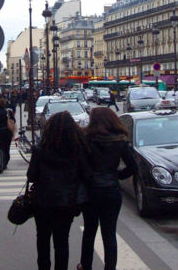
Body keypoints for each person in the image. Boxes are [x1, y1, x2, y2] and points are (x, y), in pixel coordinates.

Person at [27, 112, 90, 270]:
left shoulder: (40, 150)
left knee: (42, 238)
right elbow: (86, 174)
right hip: (66, 201)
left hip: (42, 202)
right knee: (62, 241)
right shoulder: (76, 151)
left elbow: (32, 176)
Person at [78, 107, 137, 270]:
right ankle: (110, 268)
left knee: (89, 232)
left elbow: (81, 167)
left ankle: (85, 266)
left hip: (91, 191)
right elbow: (133, 167)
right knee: (109, 233)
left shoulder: (87, 140)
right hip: (111, 190)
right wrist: (117, 176)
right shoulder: (119, 141)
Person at [0, 98, 14, 169]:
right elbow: (13, 120)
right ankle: (6, 162)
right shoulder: (8, 112)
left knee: (0, 148)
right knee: (7, 148)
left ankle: (1, 162)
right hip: (8, 133)